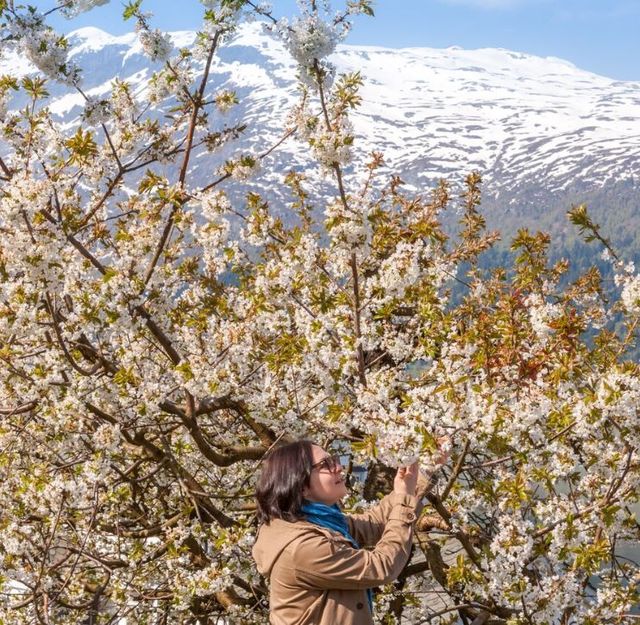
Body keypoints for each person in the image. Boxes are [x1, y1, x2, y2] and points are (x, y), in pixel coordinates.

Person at [252, 440, 434, 625]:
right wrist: (404, 501)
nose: (339, 467)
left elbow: (374, 523)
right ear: (301, 486)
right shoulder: (302, 547)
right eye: (326, 464)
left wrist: (424, 470)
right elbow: (381, 567)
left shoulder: (314, 522)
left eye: (334, 460)